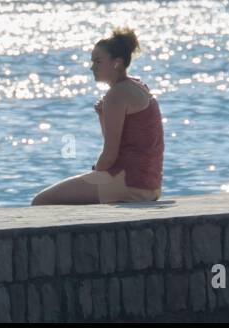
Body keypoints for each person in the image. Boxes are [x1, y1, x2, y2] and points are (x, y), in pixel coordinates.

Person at [31, 28, 164, 205]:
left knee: (40, 201)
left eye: (98, 62)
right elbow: (122, 142)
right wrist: (103, 116)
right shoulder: (138, 86)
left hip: (127, 183)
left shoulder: (116, 95)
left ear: (116, 63)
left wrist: (96, 173)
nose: (92, 67)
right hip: (148, 185)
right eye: (92, 61)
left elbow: (109, 156)